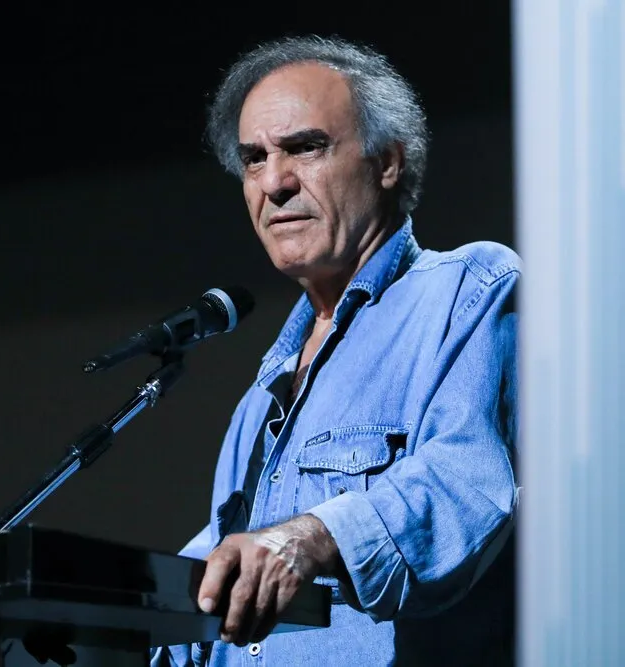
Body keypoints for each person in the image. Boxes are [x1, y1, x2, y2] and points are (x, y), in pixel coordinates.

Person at [150, 35, 520, 666]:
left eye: (305, 147)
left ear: (388, 161)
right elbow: (216, 582)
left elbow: (466, 482)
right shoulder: (259, 399)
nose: (274, 182)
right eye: (254, 159)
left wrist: (315, 538)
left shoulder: (470, 290)